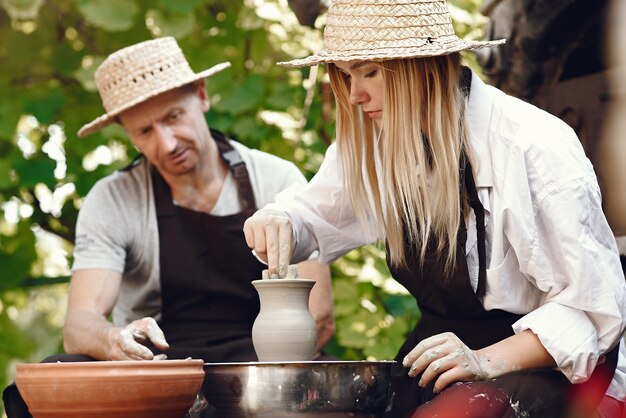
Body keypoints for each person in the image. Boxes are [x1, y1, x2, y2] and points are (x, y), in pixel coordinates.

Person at [242, 1, 626, 417]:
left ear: (426, 66)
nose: (355, 95)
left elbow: (595, 312)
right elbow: (313, 218)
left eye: (369, 72)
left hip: (545, 365)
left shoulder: (531, 145)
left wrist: (485, 361)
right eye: (347, 75)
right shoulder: (377, 141)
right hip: (442, 358)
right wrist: (280, 221)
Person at [3, 37, 335, 417]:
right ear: (127, 134)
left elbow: (318, 316)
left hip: (260, 363)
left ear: (202, 95)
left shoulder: (276, 179)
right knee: (51, 377)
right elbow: (80, 323)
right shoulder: (113, 199)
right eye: (145, 132)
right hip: (157, 367)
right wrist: (115, 341)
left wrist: (243, 389)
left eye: (173, 117)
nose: (166, 143)